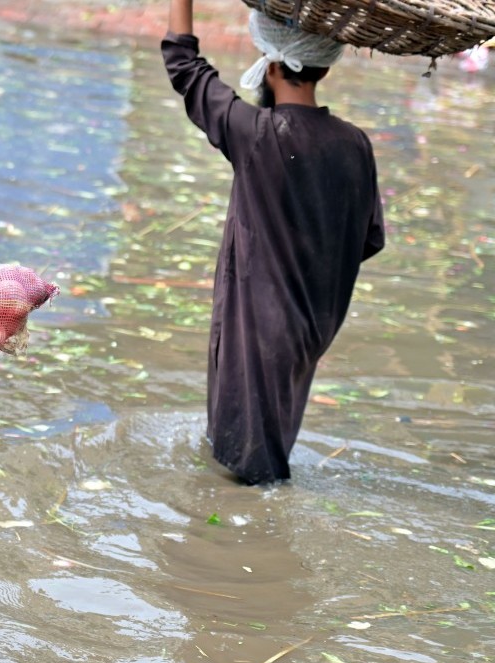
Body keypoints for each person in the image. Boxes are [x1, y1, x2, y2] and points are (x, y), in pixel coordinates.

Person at [162, 1, 385, 484]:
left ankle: (253, 527)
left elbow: (184, 66)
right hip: (312, 329)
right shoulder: (355, 145)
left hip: (258, 328)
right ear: (325, 65)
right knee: (259, 452)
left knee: (249, 472)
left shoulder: (259, 135)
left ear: (272, 64)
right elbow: (367, 239)